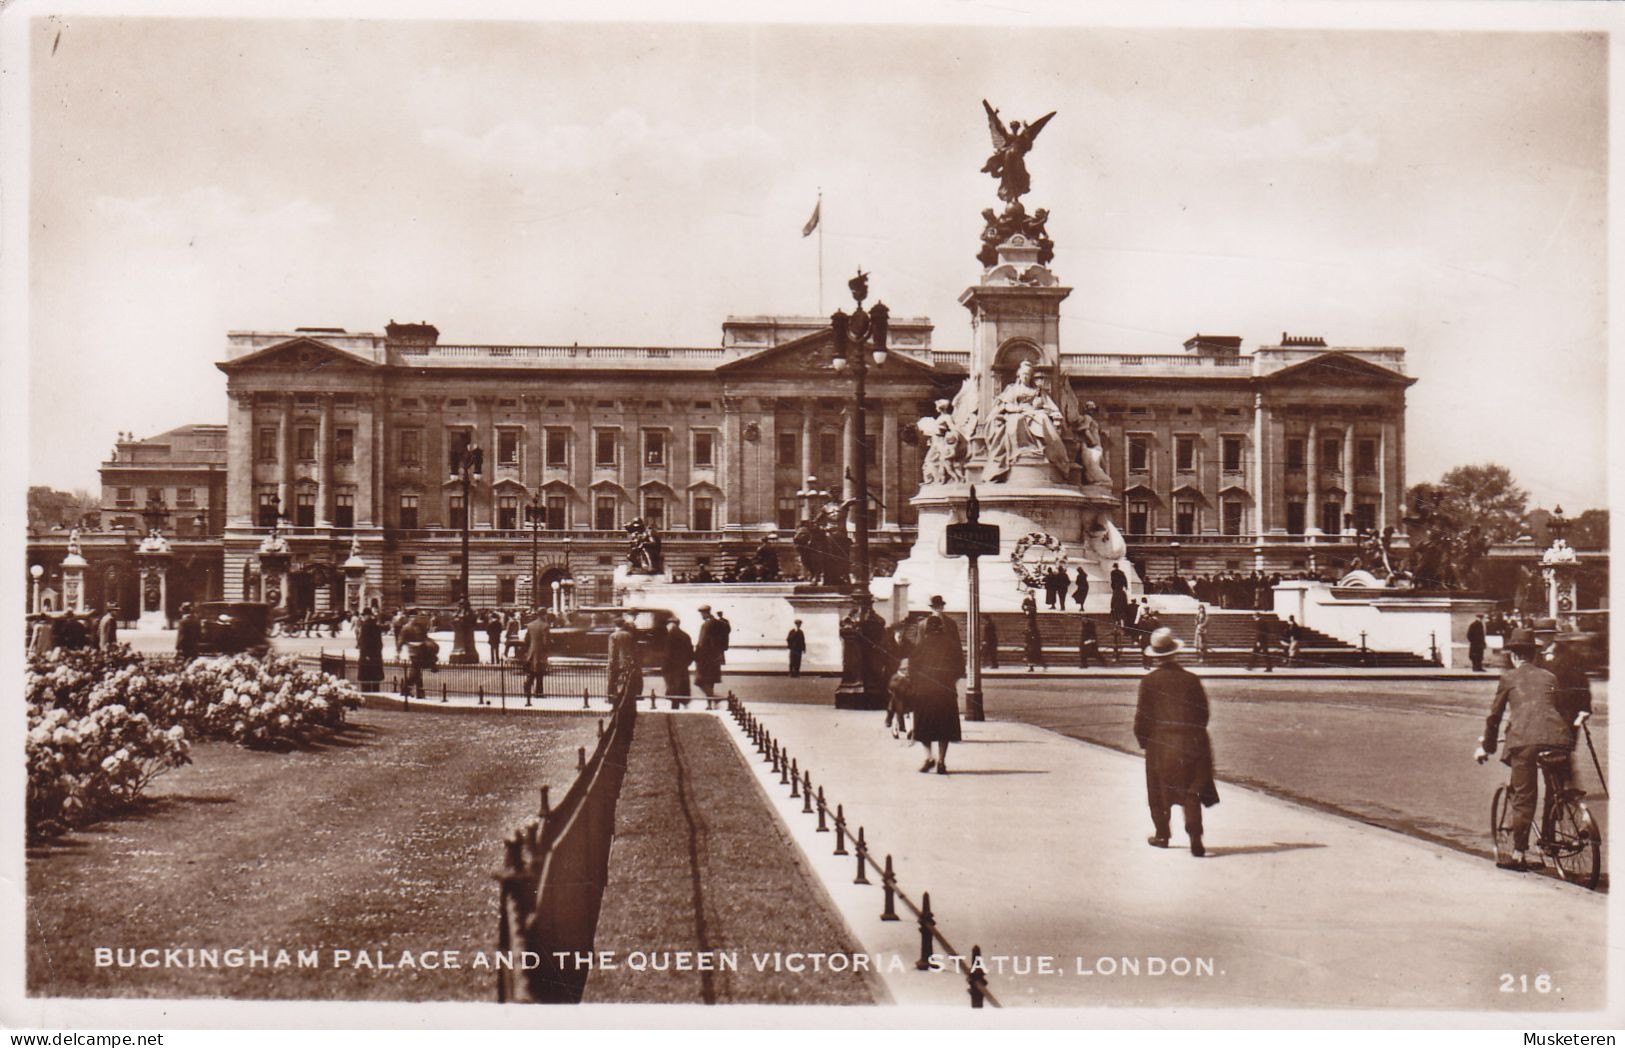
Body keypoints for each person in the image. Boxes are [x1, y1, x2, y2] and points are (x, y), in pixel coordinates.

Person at [1475, 629, 1590, 870]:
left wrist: (1487, 746)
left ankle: (1519, 854)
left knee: (1524, 797)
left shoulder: (1508, 678)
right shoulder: (1549, 677)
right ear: (1534, 655)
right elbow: (1555, 709)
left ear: (1514, 656)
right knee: (1555, 786)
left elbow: (1494, 717)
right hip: (1558, 739)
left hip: (1524, 741)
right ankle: (1551, 834)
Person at [1134, 627, 1220, 857]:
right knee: (1191, 792)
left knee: (1159, 791)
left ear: (1155, 656)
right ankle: (1195, 837)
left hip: (1161, 743)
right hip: (1193, 741)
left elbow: (1142, 717)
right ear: (1174, 653)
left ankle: (1162, 835)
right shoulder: (1191, 679)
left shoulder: (1149, 681)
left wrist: (1145, 741)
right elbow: (1203, 713)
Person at [909, 595, 964, 774]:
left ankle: (929, 757)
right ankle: (941, 761)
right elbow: (959, 665)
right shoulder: (950, 645)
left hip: (925, 692)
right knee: (945, 727)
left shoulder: (922, 645)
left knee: (924, 726)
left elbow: (913, 666)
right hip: (945, 691)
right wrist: (951, 681)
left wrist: (916, 683)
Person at [607, 614, 643, 706]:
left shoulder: (613, 636)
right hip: (628, 663)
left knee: (613, 680)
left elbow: (612, 653)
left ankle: (611, 697)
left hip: (617, 664)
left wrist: (610, 664)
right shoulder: (629, 635)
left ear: (615, 625)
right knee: (628, 681)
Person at [695, 605, 727, 700]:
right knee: (711, 681)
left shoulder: (706, 625)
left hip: (705, 658)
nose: (701, 616)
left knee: (699, 681)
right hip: (716, 658)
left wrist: (696, 656)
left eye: (702, 614)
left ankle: (714, 699)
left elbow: (701, 642)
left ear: (705, 613)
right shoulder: (720, 624)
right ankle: (710, 703)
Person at [662, 618, 695, 709]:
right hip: (682, 667)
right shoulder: (686, 635)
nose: (667, 627)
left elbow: (667, 653)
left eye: (667, 625)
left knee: (673, 687)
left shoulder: (670, 636)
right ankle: (683, 705)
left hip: (671, 667)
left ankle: (675, 706)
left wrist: (664, 667)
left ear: (672, 625)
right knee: (681, 687)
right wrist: (686, 664)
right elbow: (691, 654)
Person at [520, 608, 551, 702]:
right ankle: (538, 692)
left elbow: (526, 640)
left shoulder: (530, 625)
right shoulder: (545, 626)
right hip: (541, 652)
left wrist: (529, 649)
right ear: (543, 615)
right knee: (540, 673)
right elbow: (545, 642)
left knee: (532, 672)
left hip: (531, 652)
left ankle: (527, 689)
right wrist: (548, 650)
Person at [356, 607, 385, 691]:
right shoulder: (376, 625)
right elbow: (379, 643)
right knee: (375, 680)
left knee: (366, 681)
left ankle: (367, 695)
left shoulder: (365, 626)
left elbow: (365, 642)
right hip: (376, 657)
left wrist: (366, 655)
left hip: (367, 657)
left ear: (366, 616)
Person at [1021, 591, 1043, 671]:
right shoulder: (1026, 599)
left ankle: (1032, 666)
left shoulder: (1034, 600)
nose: (1033, 595)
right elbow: (1023, 606)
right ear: (1029, 594)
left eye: (1034, 593)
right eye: (1032, 593)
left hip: (1032, 616)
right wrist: (1026, 610)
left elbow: (1035, 607)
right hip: (1029, 616)